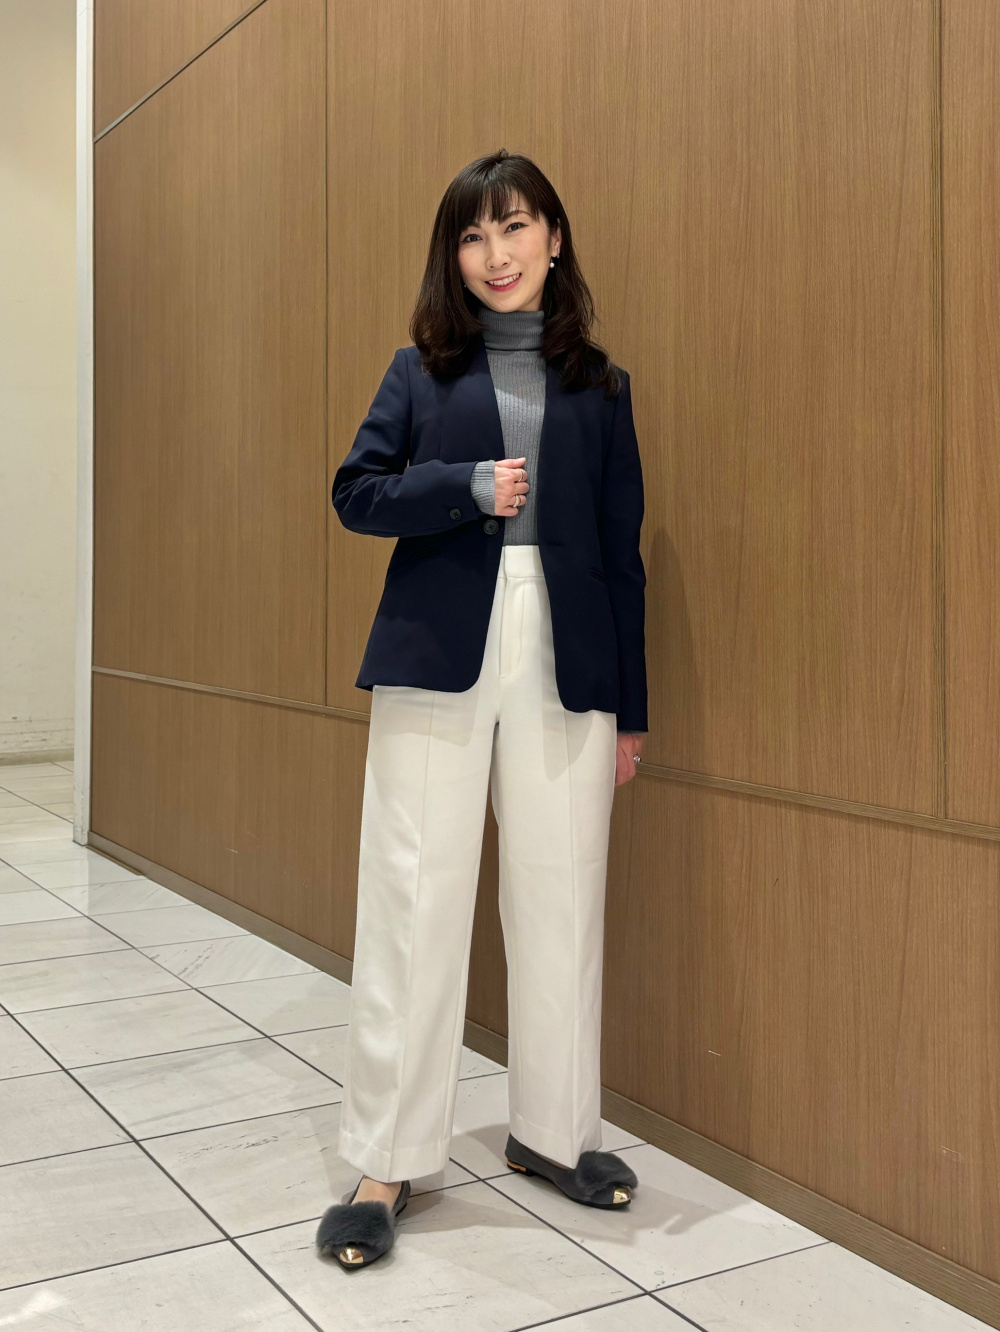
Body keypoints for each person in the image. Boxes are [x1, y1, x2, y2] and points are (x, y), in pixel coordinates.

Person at [316, 148, 647, 1269]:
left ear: (554, 237)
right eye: (471, 235)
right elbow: (356, 493)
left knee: (564, 894)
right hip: (438, 647)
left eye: (514, 228)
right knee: (413, 896)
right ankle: (388, 1158)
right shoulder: (419, 371)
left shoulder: (603, 387)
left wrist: (630, 710)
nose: (494, 254)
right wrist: (461, 490)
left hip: (570, 653)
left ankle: (555, 1134)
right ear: (451, 256)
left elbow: (621, 557)